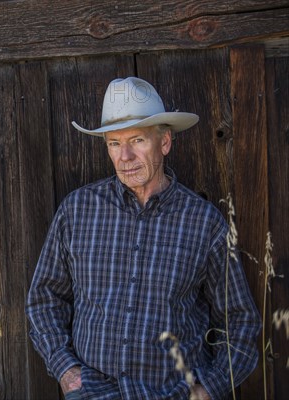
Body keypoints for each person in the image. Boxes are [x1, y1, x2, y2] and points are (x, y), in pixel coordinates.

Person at [25, 77, 260, 400]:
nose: (125, 156)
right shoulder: (78, 211)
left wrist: (206, 390)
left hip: (172, 394)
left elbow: (241, 320)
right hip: (93, 393)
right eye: (114, 143)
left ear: (164, 142)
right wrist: (66, 371)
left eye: (137, 140)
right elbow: (44, 298)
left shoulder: (203, 222)